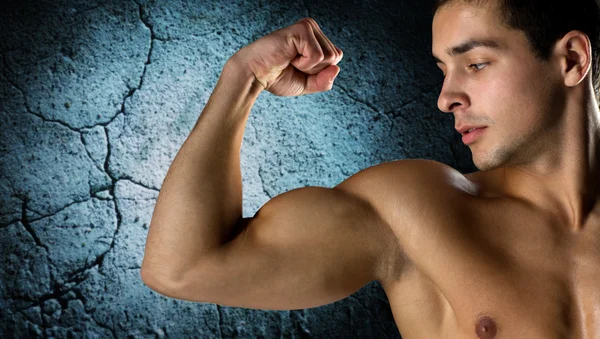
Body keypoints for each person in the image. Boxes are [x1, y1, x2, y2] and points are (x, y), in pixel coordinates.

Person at [140, 0, 600, 337]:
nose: (446, 97)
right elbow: (182, 266)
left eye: (475, 64)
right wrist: (245, 75)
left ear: (572, 59)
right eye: (443, 69)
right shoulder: (419, 210)